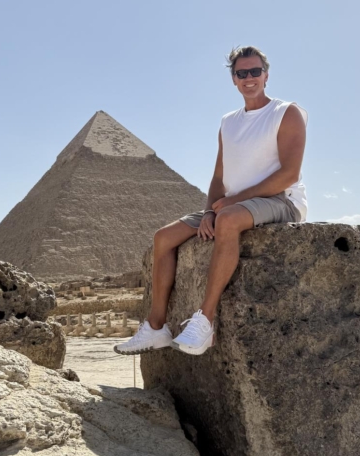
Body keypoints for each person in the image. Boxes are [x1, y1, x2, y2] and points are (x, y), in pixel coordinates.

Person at [115, 45, 307, 357]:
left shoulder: (286, 112)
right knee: (163, 238)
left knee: (227, 220)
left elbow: (289, 174)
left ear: (266, 75)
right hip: (233, 204)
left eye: (255, 71)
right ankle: (156, 327)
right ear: (234, 79)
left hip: (280, 201)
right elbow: (219, 176)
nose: (249, 78)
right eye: (241, 73)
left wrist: (230, 204)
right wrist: (208, 212)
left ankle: (205, 322)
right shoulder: (228, 122)